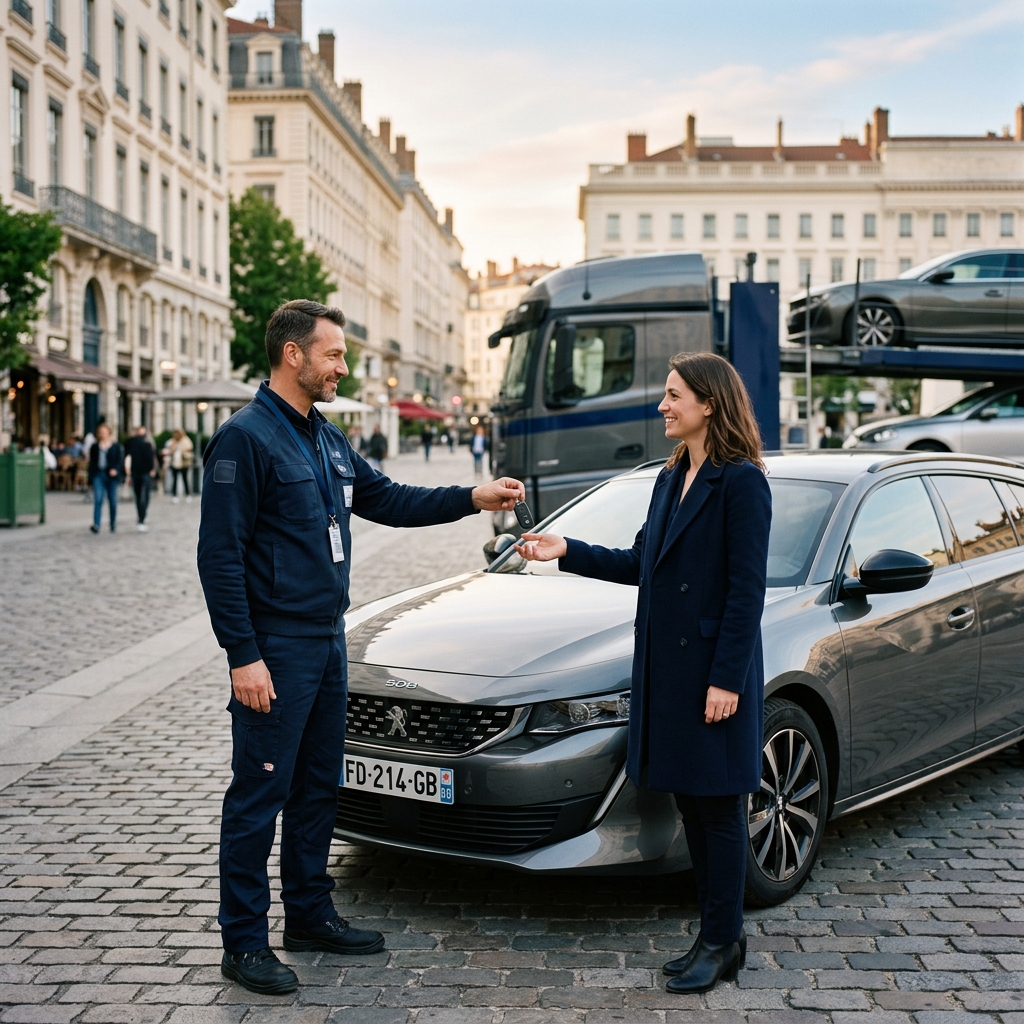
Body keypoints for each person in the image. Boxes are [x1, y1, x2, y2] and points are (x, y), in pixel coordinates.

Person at [197, 299, 525, 997]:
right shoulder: (245, 439)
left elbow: (390, 499)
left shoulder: (326, 438)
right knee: (260, 793)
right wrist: (242, 655)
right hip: (276, 649)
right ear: (294, 356)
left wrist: (475, 496)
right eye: (334, 355)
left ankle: (310, 914)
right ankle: (244, 942)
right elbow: (219, 557)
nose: (343, 366)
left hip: (327, 642)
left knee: (319, 786)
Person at [516, 352, 771, 995]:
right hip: (667, 671)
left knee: (718, 811)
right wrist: (565, 549)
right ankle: (717, 935)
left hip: (711, 674)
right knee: (693, 803)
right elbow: (639, 562)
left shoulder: (742, 483)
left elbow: (746, 593)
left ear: (708, 403)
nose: (663, 405)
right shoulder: (670, 477)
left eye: (673, 395)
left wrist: (727, 680)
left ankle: (723, 939)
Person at [87, 423, 125, 533]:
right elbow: (92, 462)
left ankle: (113, 523)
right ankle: (96, 524)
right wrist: (90, 477)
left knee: (112, 501)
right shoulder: (95, 446)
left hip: (112, 477)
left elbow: (119, 461)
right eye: (101, 433)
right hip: (99, 474)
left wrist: (116, 470)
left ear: (109, 433)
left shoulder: (116, 446)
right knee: (98, 499)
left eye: (105, 432)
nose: (102, 435)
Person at [124, 425, 157, 532]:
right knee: (144, 495)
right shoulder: (147, 443)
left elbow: (126, 456)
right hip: (143, 472)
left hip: (138, 471)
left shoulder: (131, 442)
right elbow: (152, 457)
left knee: (139, 496)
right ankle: (142, 516)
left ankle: (141, 516)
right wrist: (152, 469)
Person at [164, 429, 194, 503]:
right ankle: (174, 496)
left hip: (184, 463)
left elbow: (189, 448)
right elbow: (169, 449)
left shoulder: (186, 440)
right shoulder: (172, 441)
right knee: (174, 480)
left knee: (185, 480)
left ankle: (188, 495)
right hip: (174, 463)